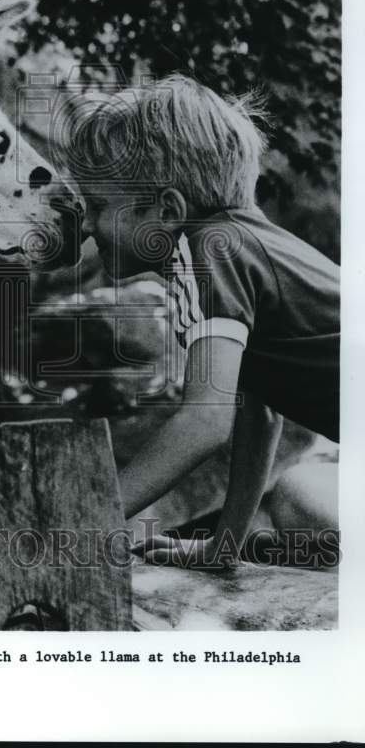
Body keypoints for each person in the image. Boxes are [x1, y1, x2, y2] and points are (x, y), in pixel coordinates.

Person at [78, 74, 339, 568]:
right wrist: (224, 546)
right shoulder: (238, 247)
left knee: (306, 504)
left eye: (98, 206)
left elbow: (203, 421)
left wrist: (84, 520)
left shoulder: (208, 253)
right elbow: (258, 414)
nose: (88, 227)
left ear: (168, 210)